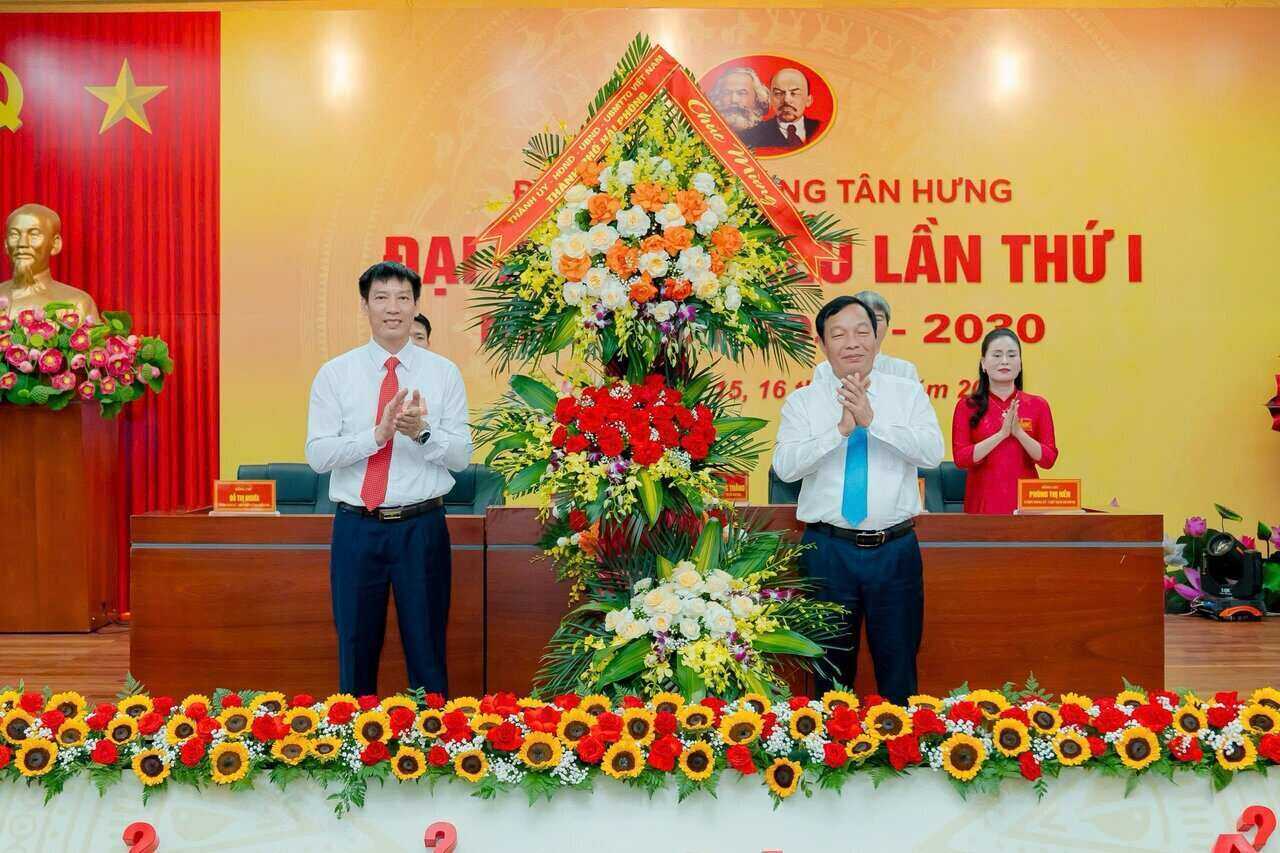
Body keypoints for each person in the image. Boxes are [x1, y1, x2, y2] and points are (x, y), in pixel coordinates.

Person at [305, 261, 472, 695]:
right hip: (356, 527)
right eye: (381, 298)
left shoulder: (443, 373)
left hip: (422, 528)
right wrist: (375, 436)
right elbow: (318, 455)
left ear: (416, 305)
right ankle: (356, 751)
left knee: (427, 648)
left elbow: (461, 456)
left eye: (402, 298)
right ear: (365, 306)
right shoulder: (335, 374)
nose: (392, 308)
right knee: (356, 648)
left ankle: (435, 751)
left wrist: (423, 433)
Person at [774, 296, 944, 704]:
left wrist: (874, 422)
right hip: (827, 549)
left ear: (877, 335)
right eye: (839, 334)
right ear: (823, 343)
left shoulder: (907, 394)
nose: (853, 342)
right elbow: (786, 467)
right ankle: (829, 758)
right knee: (828, 669)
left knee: (899, 664)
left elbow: (931, 454)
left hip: (895, 549)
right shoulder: (804, 401)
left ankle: (901, 754)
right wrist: (840, 431)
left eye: (862, 331)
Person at [951, 328, 1058, 514]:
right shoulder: (966, 406)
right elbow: (961, 458)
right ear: (984, 363)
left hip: (1027, 506)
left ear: (1020, 364)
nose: (1005, 361)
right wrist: (1001, 435)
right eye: (997, 355)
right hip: (983, 504)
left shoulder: (1038, 405)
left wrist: (1019, 433)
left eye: (1012, 355)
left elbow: (1048, 459)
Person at [0, 203, 100, 320]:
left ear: (55, 244)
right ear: (6, 245)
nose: (22, 243)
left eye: (34, 234)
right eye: (14, 235)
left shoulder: (77, 304)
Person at [813, 290, 917, 384]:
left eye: (878, 318)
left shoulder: (904, 369)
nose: (873, 324)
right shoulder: (824, 369)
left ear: (887, 324)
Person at [742, 67, 822, 150]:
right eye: (778, 93)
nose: (786, 100)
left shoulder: (820, 128)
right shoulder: (753, 135)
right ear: (771, 99)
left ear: (808, 100)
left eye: (794, 93)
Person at [708, 66, 770, 134]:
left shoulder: (769, 134)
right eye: (727, 93)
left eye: (742, 93)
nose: (734, 100)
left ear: (757, 98)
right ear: (718, 97)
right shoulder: (708, 130)